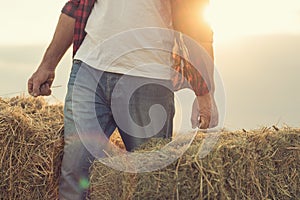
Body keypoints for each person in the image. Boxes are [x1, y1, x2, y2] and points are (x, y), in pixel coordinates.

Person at [28, 0, 218, 199]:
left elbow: (197, 25)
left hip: (148, 80)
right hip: (88, 70)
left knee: (151, 179)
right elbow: (74, 7)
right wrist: (46, 65)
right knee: (75, 169)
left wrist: (205, 92)